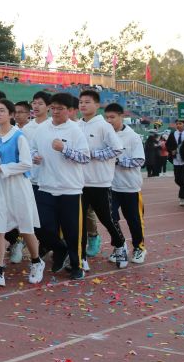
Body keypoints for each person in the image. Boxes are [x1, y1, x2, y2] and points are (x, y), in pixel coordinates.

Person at [0, 99, 44, 286]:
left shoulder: (18, 136)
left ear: (11, 115)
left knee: (26, 227)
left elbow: (26, 163)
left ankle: (37, 261)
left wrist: (3, 169)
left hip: (18, 187)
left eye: (2, 111)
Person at [31, 92, 91, 280]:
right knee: (40, 226)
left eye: (60, 108)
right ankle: (60, 249)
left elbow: (85, 157)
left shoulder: (75, 130)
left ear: (70, 111)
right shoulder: (41, 129)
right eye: (53, 108)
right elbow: (32, 149)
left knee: (72, 231)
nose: (55, 112)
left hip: (69, 189)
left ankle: (77, 265)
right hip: (45, 186)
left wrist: (64, 149)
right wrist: (34, 156)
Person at [77, 90, 127, 266]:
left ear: (97, 105)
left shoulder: (104, 126)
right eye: (81, 102)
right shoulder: (76, 125)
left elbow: (117, 149)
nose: (83, 105)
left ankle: (120, 246)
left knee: (107, 219)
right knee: (80, 222)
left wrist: (93, 154)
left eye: (87, 102)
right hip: (78, 183)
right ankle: (80, 257)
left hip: (100, 182)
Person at [105, 103, 147, 264]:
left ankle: (139, 248)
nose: (109, 121)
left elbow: (139, 161)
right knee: (111, 219)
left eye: (112, 117)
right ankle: (119, 246)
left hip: (130, 187)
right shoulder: (106, 136)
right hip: (110, 186)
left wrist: (118, 160)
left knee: (134, 220)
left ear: (121, 117)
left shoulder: (133, 136)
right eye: (107, 117)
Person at [166, 120, 184, 206]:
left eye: (180, 124)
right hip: (176, 160)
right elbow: (168, 144)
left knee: (183, 179)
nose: (178, 125)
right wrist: (171, 151)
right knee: (177, 179)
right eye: (177, 124)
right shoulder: (173, 134)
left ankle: (182, 198)